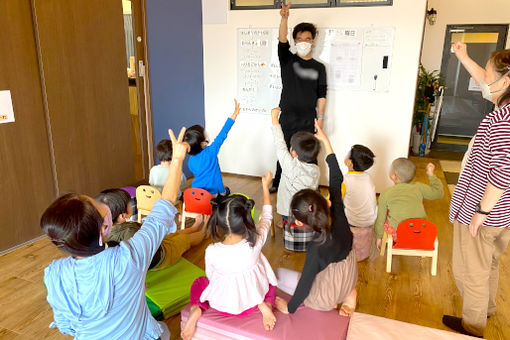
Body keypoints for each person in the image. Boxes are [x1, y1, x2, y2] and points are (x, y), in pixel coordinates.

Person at [40, 127, 189, 340]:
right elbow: (163, 208)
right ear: (104, 228)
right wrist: (177, 159)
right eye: (98, 205)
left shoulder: (54, 274)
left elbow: (66, 326)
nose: (104, 205)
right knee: (162, 332)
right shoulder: (129, 257)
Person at [443, 43, 510, 338]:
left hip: (484, 211)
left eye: (490, 74)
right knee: (490, 262)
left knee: (471, 270)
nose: (485, 80)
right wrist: (463, 56)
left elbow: (503, 172)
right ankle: (487, 309)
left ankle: (472, 327)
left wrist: (481, 211)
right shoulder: (504, 108)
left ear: (505, 82)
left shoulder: (501, 119)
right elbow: (487, 80)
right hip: (504, 214)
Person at [181, 171, 278, 340]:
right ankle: (265, 304)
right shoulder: (255, 243)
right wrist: (265, 187)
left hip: (221, 304)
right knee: (272, 282)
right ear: (248, 220)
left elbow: (210, 277)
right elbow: (267, 217)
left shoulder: (211, 250)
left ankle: (196, 309)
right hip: (251, 304)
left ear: (218, 224)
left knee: (199, 283)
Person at [274, 120, 357, 316]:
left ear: (300, 223)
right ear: (325, 201)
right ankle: (350, 294)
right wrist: (325, 140)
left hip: (326, 295)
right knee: (325, 270)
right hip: (349, 276)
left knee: (277, 275)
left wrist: (290, 308)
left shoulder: (316, 248)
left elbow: (305, 284)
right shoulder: (338, 210)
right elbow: (336, 177)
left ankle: (331, 300)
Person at [270, 2, 327, 193]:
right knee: (283, 151)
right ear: (295, 41)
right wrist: (284, 18)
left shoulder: (319, 67)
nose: (304, 41)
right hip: (287, 116)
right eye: (300, 38)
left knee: (308, 153)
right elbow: (281, 39)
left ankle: (312, 187)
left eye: (308, 38)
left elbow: (322, 95)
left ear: (313, 41)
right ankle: (278, 182)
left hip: (307, 119)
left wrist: (320, 119)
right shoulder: (287, 60)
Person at [96, 188, 207, 271]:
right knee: (185, 239)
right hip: (162, 255)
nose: (132, 204)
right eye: (130, 203)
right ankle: (203, 231)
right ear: (122, 215)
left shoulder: (103, 233)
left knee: (174, 233)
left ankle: (194, 227)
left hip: (154, 245)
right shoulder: (129, 232)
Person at [271, 107, 320, 251]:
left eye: (291, 147)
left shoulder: (289, 166)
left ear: (294, 153)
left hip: (288, 210)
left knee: (287, 209)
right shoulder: (316, 170)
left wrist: (274, 118)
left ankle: (286, 222)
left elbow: (279, 144)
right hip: (306, 211)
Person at [374, 158, 443, 250]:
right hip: (420, 232)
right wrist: (431, 175)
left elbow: (380, 219)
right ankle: (413, 241)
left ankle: (396, 242)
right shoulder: (419, 187)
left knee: (385, 216)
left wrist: (379, 237)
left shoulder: (386, 194)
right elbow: (438, 192)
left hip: (399, 234)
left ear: (393, 176)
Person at [184, 99, 240, 195]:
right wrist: (235, 114)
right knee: (227, 190)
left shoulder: (190, 161)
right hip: (215, 193)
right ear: (202, 143)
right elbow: (223, 133)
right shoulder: (211, 151)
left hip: (197, 193)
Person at [343, 144, 377, 261]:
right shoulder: (367, 177)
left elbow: (333, 200)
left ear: (349, 163)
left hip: (354, 222)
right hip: (370, 221)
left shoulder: (345, 180)